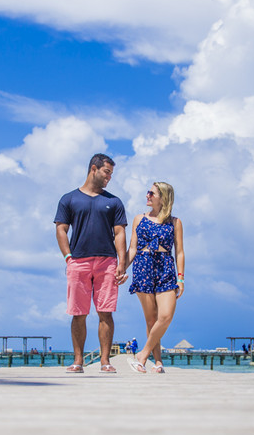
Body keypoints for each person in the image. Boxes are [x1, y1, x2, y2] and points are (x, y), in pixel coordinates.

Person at [54, 154, 128, 373]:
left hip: (107, 262)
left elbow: (119, 232)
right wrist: (68, 257)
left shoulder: (113, 202)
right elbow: (61, 229)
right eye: (107, 172)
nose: (109, 178)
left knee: (106, 312)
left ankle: (105, 361)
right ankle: (78, 361)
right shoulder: (69, 199)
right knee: (79, 313)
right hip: (78, 261)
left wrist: (121, 263)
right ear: (93, 169)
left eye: (111, 174)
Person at [126, 181, 185, 374]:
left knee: (165, 316)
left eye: (151, 193)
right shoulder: (138, 219)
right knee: (151, 320)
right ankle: (157, 361)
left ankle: (142, 355)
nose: (147, 196)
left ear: (163, 198)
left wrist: (181, 278)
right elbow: (133, 248)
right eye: (147, 192)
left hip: (166, 267)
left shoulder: (175, 222)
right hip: (143, 266)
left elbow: (180, 252)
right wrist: (121, 267)